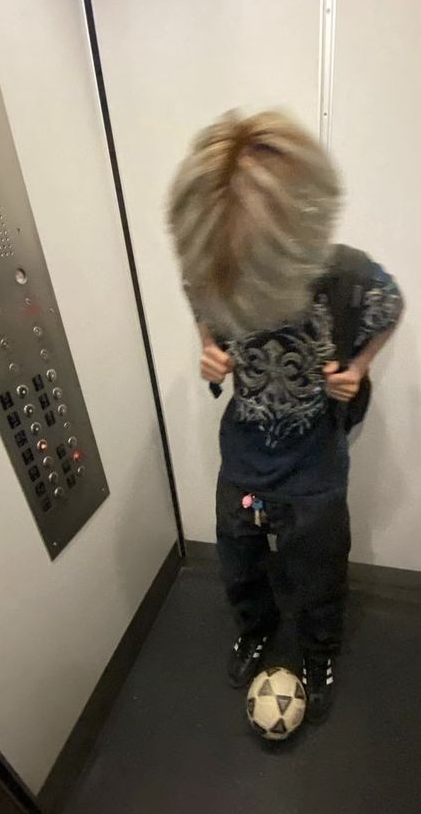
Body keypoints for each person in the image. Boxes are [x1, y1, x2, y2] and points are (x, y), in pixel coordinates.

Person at [167, 110, 403, 723]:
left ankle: (320, 648)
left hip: (314, 455)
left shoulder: (344, 274)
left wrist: (361, 368)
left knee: (319, 561)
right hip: (246, 446)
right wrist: (209, 349)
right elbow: (197, 292)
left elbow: (390, 302)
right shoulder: (213, 261)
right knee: (237, 550)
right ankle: (256, 627)